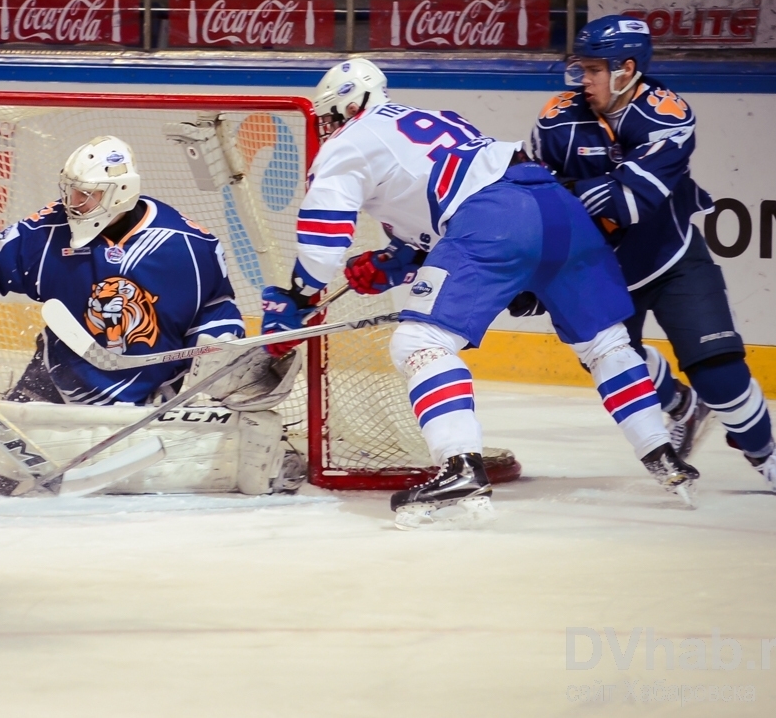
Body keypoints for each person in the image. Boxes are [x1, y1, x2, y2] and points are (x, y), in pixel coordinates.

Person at [261, 58, 692, 528]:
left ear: (347, 106)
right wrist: (398, 260)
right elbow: (447, 200)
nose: (328, 126)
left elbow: (323, 247)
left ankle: (459, 468)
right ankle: (662, 454)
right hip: (555, 205)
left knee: (420, 342)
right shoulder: (437, 118)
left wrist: (300, 296)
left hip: (495, 220)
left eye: (330, 116)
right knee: (606, 343)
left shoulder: (347, 144)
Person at [0, 135, 306, 496]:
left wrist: (222, 355)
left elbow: (215, 307)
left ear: (119, 193)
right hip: (51, 382)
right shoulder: (49, 231)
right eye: (70, 190)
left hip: (147, 403)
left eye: (85, 195)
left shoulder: (187, 247)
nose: (71, 202)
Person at [531, 16, 776, 495]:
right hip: (599, 270)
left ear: (627, 68)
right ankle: (679, 405)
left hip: (671, 256)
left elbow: (629, 205)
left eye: (594, 69)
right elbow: (535, 194)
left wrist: (572, 191)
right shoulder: (557, 118)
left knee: (718, 369)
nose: (584, 79)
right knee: (613, 362)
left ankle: (767, 454)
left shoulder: (669, 115)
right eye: (581, 68)